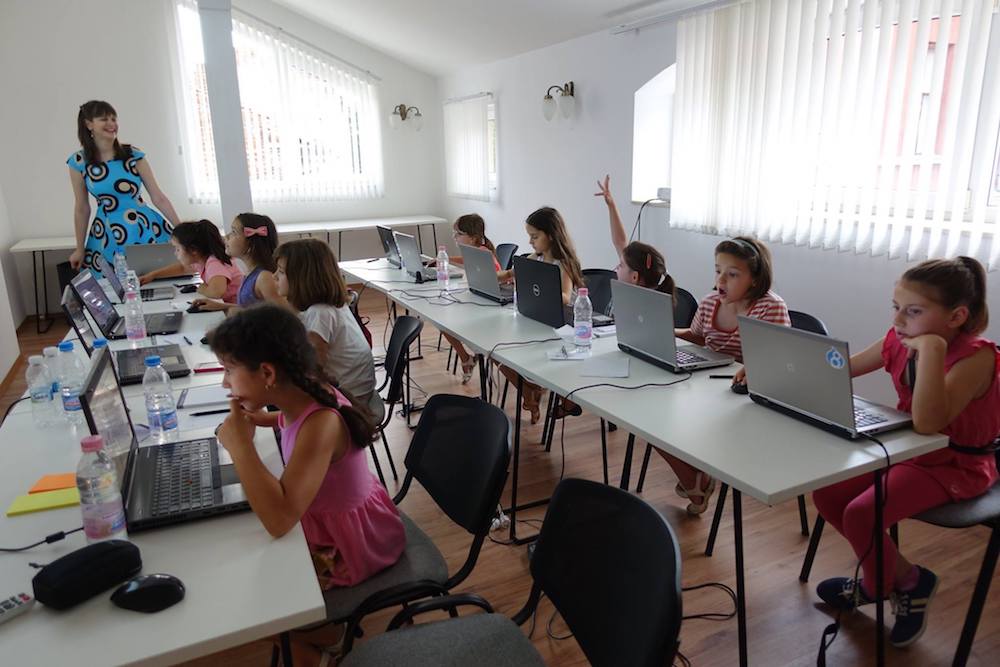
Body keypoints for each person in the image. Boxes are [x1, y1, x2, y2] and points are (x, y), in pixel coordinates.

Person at [812, 257, 1000, 648]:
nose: (899, 320)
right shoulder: (900, 339)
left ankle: (876, 586)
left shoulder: (977, 357)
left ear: (956, 316)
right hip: (907, 449)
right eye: (896, 308)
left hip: (955, 462)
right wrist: (780, 367)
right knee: (827, 493)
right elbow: (843, 368)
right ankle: (908, 579)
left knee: (862, 512)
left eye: (913, 311)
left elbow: (930, 421)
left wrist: (930, 350)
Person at [209, 304, 405, 666]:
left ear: (267, 372)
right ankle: (316, 636)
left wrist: (240, 447)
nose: (224, 383)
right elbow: (286, 420)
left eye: (229, 371)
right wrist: (261, 420)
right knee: (237, 574)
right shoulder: (299, 392)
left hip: (347, 545)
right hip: (328, 522)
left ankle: (324, 636)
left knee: (246, 608)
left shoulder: (321, 424)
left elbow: (280, 518)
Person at [668, 236, 791, 514]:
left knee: (670, 419)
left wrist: (757, 365)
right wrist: (666, 331)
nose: (721, 280)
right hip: (707, 389)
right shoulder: (711, 301)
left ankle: (695, 480)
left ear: (755, 280)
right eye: (718, 271)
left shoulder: (769, 307)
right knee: (650, 415)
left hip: (749, 399)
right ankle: (694, 480)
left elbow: (781, 358)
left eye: (732, 274)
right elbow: (697, 337)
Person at [274, 239, 385, 425]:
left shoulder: (320, 313)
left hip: (349, 401)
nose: (274, 276)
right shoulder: (328, 306)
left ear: (303, 278)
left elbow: (313, 369)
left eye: (281, 272)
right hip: (355, 391)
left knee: (269, 389)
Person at [68, 100, 181, 275]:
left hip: (142, 226)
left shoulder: (133, 155)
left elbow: (158, 197)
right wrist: (79, 248)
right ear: (88, 124)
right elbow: (82, 208)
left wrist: (182, 230)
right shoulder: (79, 161)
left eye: (114, 119)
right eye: (104, 119)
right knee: (113, 289)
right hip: (106, 231)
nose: (112, 124)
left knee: (156, 279)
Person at [498, 207, 585, 424]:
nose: (530, 241)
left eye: (534, 236)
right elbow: (508, 275)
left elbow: (566, 297)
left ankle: (533, 390)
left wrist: (542, 285)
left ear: (552, 235)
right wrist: (492, 274)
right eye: (529, 236)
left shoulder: (562, 264)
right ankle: (530, 390)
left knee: (506, 352)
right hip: (537, 320)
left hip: (562, 327)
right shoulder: (533, 258)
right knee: (498, 354)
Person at [441, 214, 503, 383]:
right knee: (443, 321)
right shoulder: (474, 250)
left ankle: (468, 357)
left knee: (446, 322)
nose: (455, 237)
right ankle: (466, 358)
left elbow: (494, 281)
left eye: (458, 234)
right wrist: (446, 259)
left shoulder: (484, 254)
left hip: (491, 306)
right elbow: (465, 260)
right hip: (479, 299)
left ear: (473, 237)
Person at [191, 213, 284, 313]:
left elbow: (282, 315)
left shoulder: (264, 277)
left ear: (251, 245)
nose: (227, 236)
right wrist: (222, 306)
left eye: (234, 232)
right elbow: (252, 307)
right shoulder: (250, 272)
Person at [141, 219, 244, 302]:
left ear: (193, 250)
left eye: (178, 249)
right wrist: (153, 275)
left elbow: (217, 292)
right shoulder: (201, 259)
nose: (175, 253)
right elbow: (182, 268)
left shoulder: (214, 263)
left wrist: (202, 288)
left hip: (239, 310)